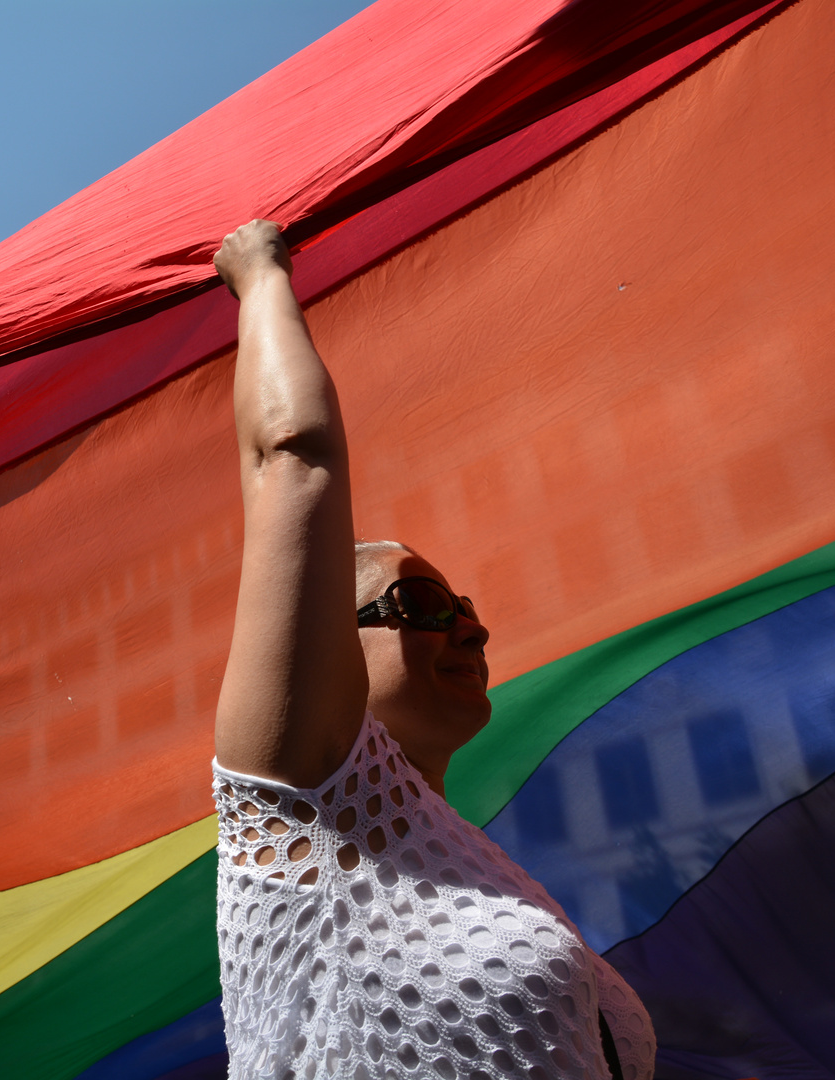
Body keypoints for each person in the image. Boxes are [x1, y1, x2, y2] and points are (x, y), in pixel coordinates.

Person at [210, 219, 656, 1080]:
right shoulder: (300, 805)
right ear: (320, 640)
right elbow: (292, 458)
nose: (473, 629)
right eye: (422, 604)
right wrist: (260, 271)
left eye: (468, 609)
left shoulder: (470, 860)